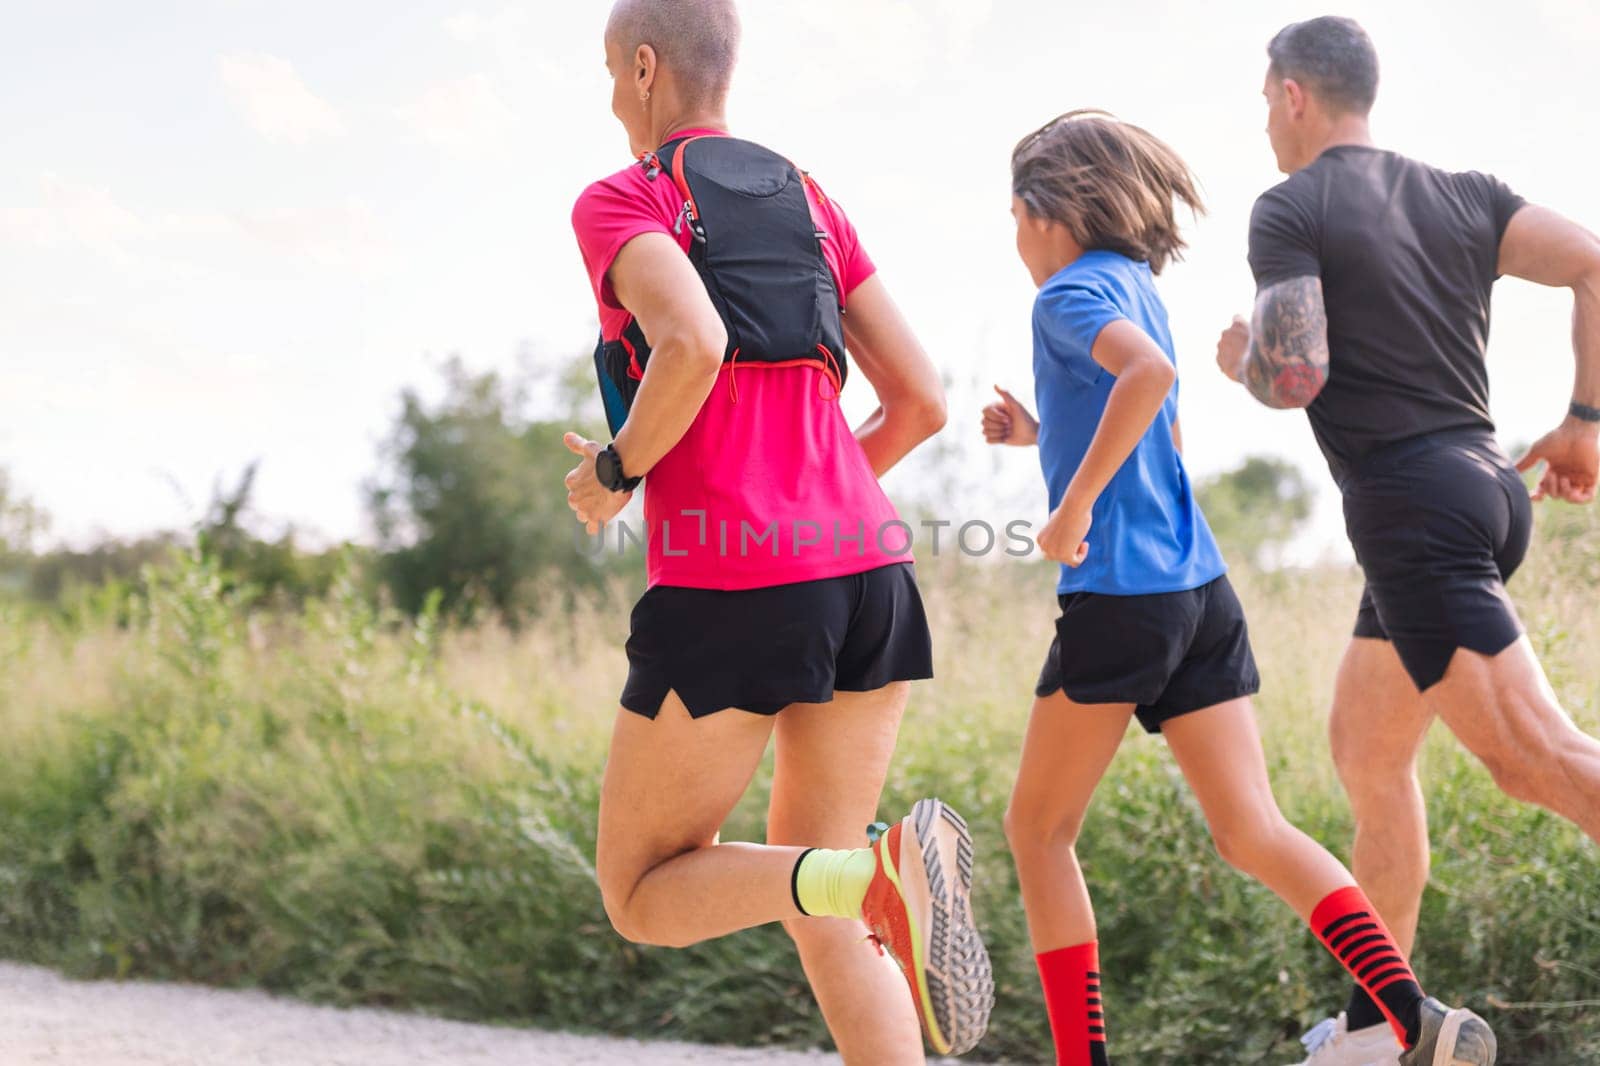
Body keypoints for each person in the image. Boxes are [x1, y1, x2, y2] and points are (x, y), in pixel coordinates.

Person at [985, 109, 1494, 1066]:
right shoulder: (1135, 285)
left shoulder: (1063, 299)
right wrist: (1040, 439)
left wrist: (1072, 506)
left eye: (1014, 216)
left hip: (1122, 598)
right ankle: (1412, 1017)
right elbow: (1161, 425)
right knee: (1251, 827)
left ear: (1048, 212)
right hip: (1199, 593)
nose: (1015, 240)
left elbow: (1150, 378)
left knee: (1037, 829)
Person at [561, 2, 994, 1060]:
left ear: (646, 65)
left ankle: (871, 871)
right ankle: (869, 875)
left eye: (612, 74)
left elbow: (692, 341)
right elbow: (922, 402)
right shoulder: (811, 201)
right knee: (823, 896)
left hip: (734, 580)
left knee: (643, 887)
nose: (612, 96)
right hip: (867, 573)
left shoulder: (625, 198)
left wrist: (619, 468)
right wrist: (814, 494)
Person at [1213, 16, 1600, 1066]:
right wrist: (1584, 420)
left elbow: (1295, 376)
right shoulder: (1466, 193)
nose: (1263, 123)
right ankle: (1375, 1030)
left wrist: (1243, 357)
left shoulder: (1289, 207)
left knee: (1541, 762)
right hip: (1476, 491)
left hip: (1413, 514)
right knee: (1368, 751)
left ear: (1292, 95)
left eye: (1262, 101)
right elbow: (1593, 263)